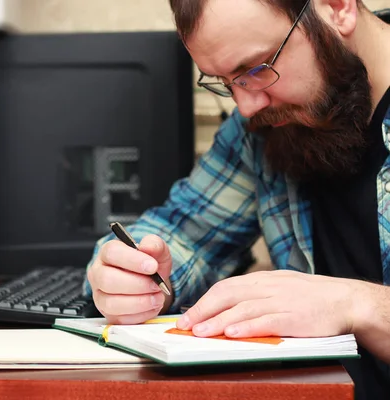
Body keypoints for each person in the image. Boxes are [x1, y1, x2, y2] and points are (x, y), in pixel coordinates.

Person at [83, 0, 390, 399]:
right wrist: (133, 278)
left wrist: (357, 305)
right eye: (226, 82)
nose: (246, 106)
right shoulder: (264, 126)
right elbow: (183, 234)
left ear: (337, 7)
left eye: (258, 69)